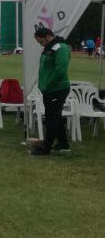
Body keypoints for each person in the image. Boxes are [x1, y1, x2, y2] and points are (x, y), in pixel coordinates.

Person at [31, 27, 71, 156]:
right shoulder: (49, 48)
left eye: (41, 42)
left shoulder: (61, 48)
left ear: (48, 37)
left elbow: (61, 70)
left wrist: (48, 84)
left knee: (51, 118)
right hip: (49, 89)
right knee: (56, 116)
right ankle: (63, 143)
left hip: (57, 88)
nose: (41, 45)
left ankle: (46, 147)